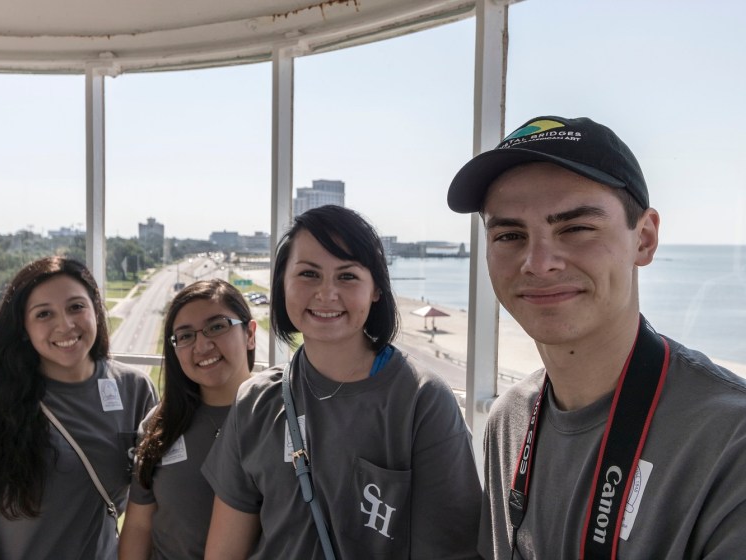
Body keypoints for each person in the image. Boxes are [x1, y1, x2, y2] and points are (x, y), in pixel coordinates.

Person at [447, 115, 746, 559]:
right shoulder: (509, 420)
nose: (538, 263)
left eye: (575, 228)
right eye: (509, 235)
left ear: (644, 239)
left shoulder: (728, 442)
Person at [201, 204, 482, 559]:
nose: (326, 293)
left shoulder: (421, 401)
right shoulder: (256, 401)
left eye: (347, 276)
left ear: (376, 289)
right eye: (308, 274)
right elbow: (225, 548)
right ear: (283, 283)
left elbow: (451, 549)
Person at [0, 256, 158, 560]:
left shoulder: (136, 390)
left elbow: (153, 508)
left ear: (96, 310)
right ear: (23, 328)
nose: (65, 325)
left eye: (76, 307)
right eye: (44, 314)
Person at [119, 279, 257, 559]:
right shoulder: (160, 425)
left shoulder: (279, 414)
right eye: (185, 336)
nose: (202, 345)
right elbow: (138, 526)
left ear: (250, 334)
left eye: (216, 327)